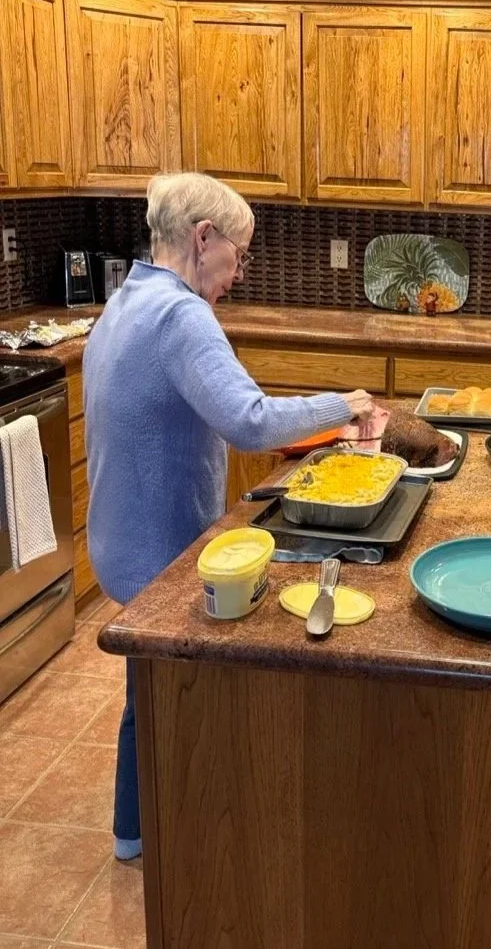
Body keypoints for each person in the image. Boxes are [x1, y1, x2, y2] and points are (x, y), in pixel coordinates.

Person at [84, 172, 374, 862]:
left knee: (151, 685)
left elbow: (219, 408)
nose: (238, 273)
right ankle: (157, 827)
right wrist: (347, 404)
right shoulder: (181, 315)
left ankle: (139, 825)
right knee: (165, 689)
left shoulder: (127, 298)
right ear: (202, 237)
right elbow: (247, 421)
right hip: (158, 545)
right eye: (238, 255)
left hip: (117, 535)